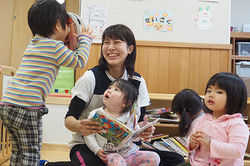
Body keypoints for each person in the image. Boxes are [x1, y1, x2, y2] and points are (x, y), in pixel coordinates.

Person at [64, 24, 185, 166]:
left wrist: (143, 131)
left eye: (117, 42)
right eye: (106, 42)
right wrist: (80, 126)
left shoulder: (137, 82)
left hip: (126, 149)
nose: (110, 47)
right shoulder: (90, 78)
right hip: (89, 146)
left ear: (130, 49)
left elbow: (139, 122)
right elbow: (68, 120)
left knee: (177, 160)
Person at [0, 0, 94, 165]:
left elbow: (64, 51)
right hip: (28, 108)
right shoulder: (55, 48)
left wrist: (69, 39)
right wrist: (85, 39)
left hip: (7, 105)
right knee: (31, 154)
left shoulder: (34, 43)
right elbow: (79, 61)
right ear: (58, 25)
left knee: (18, 151)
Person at [85, 79, 160, 166]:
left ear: (125, 102)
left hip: (131, 153)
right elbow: (88, 135)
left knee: (154, 157)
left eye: (116, 89)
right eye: (109, 87)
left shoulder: (131, 116)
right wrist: (96, 149)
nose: (109, 90)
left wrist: (141, 132)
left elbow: (135, 137)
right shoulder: (96, 114)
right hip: (111, 155)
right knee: (118, 163)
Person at [188, 72, 249, 166]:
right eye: (209, 90)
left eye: (219, 92)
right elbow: (192, 143)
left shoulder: (236, 123)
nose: (211, 95)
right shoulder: (203, 118)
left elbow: (237, 151)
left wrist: (210, 143)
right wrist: (192, 142)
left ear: (234, 98)